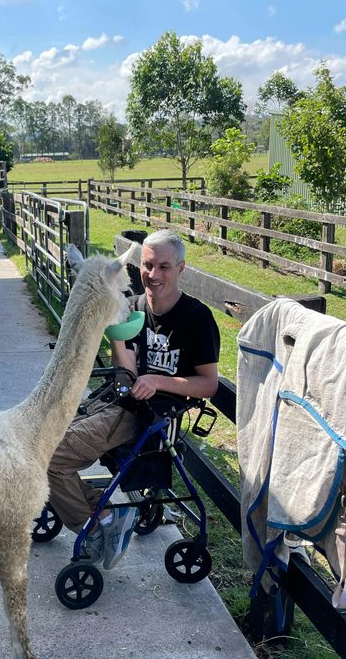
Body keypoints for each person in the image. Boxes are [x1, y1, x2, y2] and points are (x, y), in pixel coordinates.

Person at [47, 229, 220, 569]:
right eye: (148, 265)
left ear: (181, 268)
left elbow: (208, 385)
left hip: (152, 416)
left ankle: (94, 526)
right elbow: (125, 373)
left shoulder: (196, 317)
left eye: (164, 267)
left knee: (52, 457)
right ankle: (107, 515)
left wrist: (157, 380)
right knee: (45, 438)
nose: (154, 275)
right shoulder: (135, 307)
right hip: (121, 400)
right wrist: (116, 332)